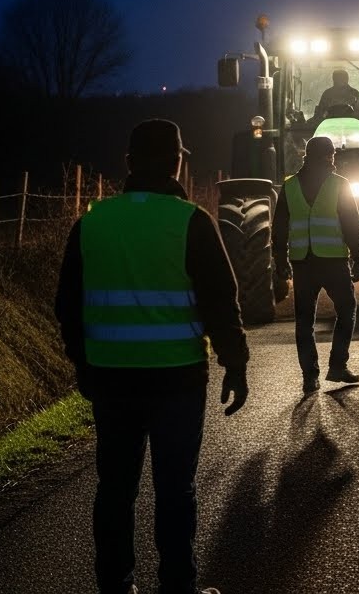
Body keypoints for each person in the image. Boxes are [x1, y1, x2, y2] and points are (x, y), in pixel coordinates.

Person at [55, 119, 247, 594]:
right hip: (177, 378)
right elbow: (219, 300)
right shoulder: (191, 221)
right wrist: (235, 361)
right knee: (175, 489)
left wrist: (82, 363)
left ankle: (115, 586)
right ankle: (178, 585)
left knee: (115, 488)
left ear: (128, 163)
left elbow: (67, 304)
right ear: (178, 160)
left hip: (111, 380)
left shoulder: (91, 222)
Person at [273, 135, 359, 393]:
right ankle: (337, 366)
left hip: (303, 262)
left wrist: (280, 261)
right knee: (346, 311)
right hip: (333, 261)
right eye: (332, 155)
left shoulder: (289, 187)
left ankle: (309, 377)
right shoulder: (340, 184)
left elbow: (278, 229)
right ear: (328, 156)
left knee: (304, 321)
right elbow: (351, 225)